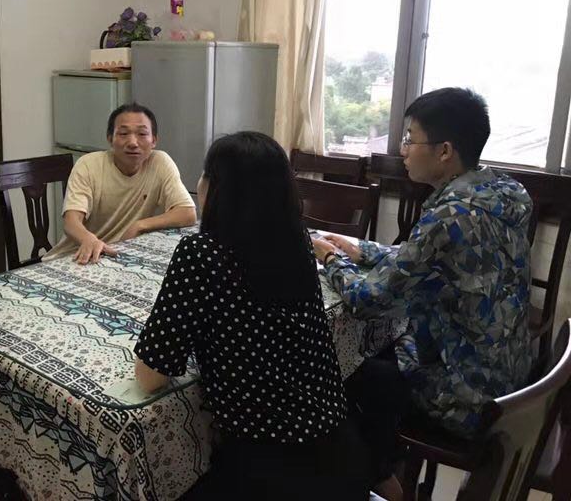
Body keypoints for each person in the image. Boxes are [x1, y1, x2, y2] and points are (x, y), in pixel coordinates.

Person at [134, 132, 371, 500]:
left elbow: (151, 377)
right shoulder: (299, 244)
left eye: (205, 174)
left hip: (268, 473)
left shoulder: (201, 253)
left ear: (220, 190)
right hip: (342, 457)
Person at [312, 87, 533, 441]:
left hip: (467, 397)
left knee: (339, 371)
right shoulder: (501, 192)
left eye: (410, 139)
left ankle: (372, 468)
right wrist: (361, 250)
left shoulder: (450, 216)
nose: (403, 150)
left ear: (444, 151)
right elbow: (427, 259)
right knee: (378, 349)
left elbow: (368, 301)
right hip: (509, 375)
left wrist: (330, 258)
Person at [44, 103, 196, 264]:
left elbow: (187, 213)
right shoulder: (88, 165)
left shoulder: (160, 162)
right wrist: (89, 239)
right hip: (76, 256)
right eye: (123, 133)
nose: (133, 142)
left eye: (142, 134)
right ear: (110, 139)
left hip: (120, 254)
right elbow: (71, 222)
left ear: (154, 140)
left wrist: (139, 225)